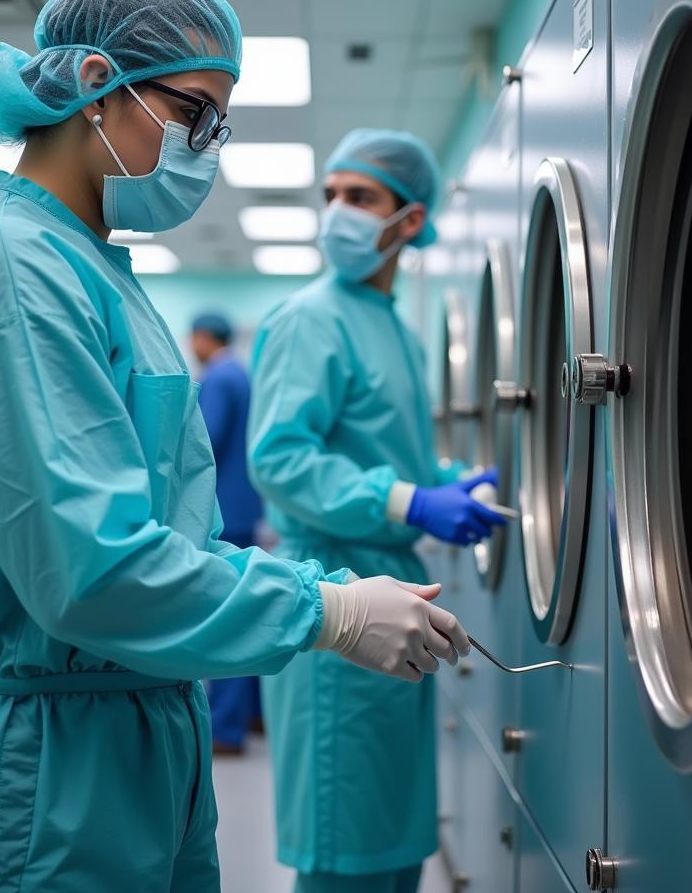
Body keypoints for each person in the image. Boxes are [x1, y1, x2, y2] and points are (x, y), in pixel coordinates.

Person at [0, 0, 473, 893]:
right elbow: (90, 568)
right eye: (195, 112)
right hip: (29, 770)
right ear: (98, 83)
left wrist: (321, 589)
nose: (207, 145)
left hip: (126, 733)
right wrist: (327, 610)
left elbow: (166, 534)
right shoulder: (5, 272)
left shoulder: (97, 270)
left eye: (218, 125)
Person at [248, 128, 508, 893]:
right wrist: (409, 501)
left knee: (392, 845)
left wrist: (453, 483)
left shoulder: (393, 325)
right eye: (330, 195)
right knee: (345, 851)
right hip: (342, 593)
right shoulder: (310, 318)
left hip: (394, 586)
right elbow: (280, 460)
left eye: (359, 197)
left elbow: (398, 460)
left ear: (410, 219)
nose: (338, 212)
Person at [190, 311, 263, 754]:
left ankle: (226, 729)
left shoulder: (218, 378)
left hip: (225, 510)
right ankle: (253, 714)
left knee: (232, 614)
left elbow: (202, 439)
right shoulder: (241, 373)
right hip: (244, 506)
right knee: (249, 606)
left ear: (202, 337)